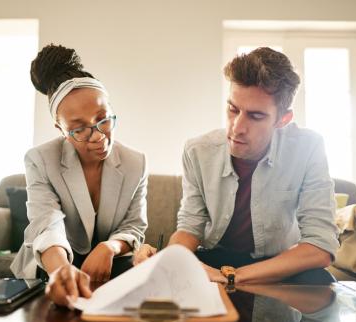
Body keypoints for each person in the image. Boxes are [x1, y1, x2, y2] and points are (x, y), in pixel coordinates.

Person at [135, 47, 339, 285]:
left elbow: (321, 246)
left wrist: (234, 276)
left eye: (255, 116)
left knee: (319, 279)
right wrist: (174, 258)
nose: (237, 127)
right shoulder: (197, 151)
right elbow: (190, 226)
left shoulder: (309, 148)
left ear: (283, 119)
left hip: (278, 262)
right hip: (215, 256)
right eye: (233, 109)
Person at [11, 44, 148, 307]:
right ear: (60, 129)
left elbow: (134, 226)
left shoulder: (135, 162)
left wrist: (110, 247)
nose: (97, 136)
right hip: (50, 267)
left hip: (110, 268)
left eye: (103, 119)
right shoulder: (40, 159)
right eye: (79, 129)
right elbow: (46, 223)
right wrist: (61, 269)